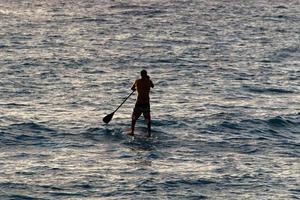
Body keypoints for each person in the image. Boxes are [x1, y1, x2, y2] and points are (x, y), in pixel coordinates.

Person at [130, 70, 154, 137]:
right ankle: (149, 133)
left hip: (139, 102)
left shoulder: (137, 81)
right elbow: (152, 86)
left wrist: (136, 88)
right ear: (146, 75)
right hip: (146, 103)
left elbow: (132, 88)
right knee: (148, 119)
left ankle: (132, 132)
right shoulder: (149, 81)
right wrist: (148, 79)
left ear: (141, 75)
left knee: (134, 118)